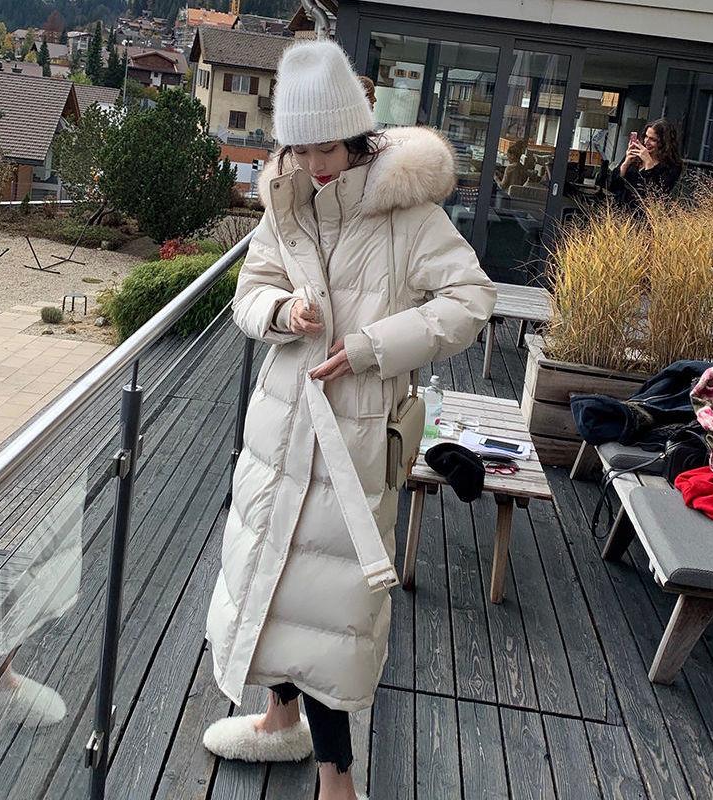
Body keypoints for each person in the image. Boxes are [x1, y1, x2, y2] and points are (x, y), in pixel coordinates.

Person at [202, 39, 496, 800]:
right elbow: (248, 293)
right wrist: (281, 311)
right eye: (299, 149)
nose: (314, 165)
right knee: (273, 584)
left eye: (327, 148)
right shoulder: (286, 201)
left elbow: (471, 301)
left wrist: (371, 347)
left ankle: (339, 783)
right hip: (280, 425)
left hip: (355, 434)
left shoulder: (409, 212)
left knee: (331, 611)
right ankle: (278, 722)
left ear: (358, 135)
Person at [610, 118, 683, 210]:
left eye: (652, 139)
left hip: (643, 213)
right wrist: (625, 164)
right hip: (619, 209)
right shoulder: (636, 156)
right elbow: (612, 186)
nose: (646, 142)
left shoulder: (672, 166)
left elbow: (655, 195)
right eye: (646, 136)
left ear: (663, 143)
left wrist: (649, 165)